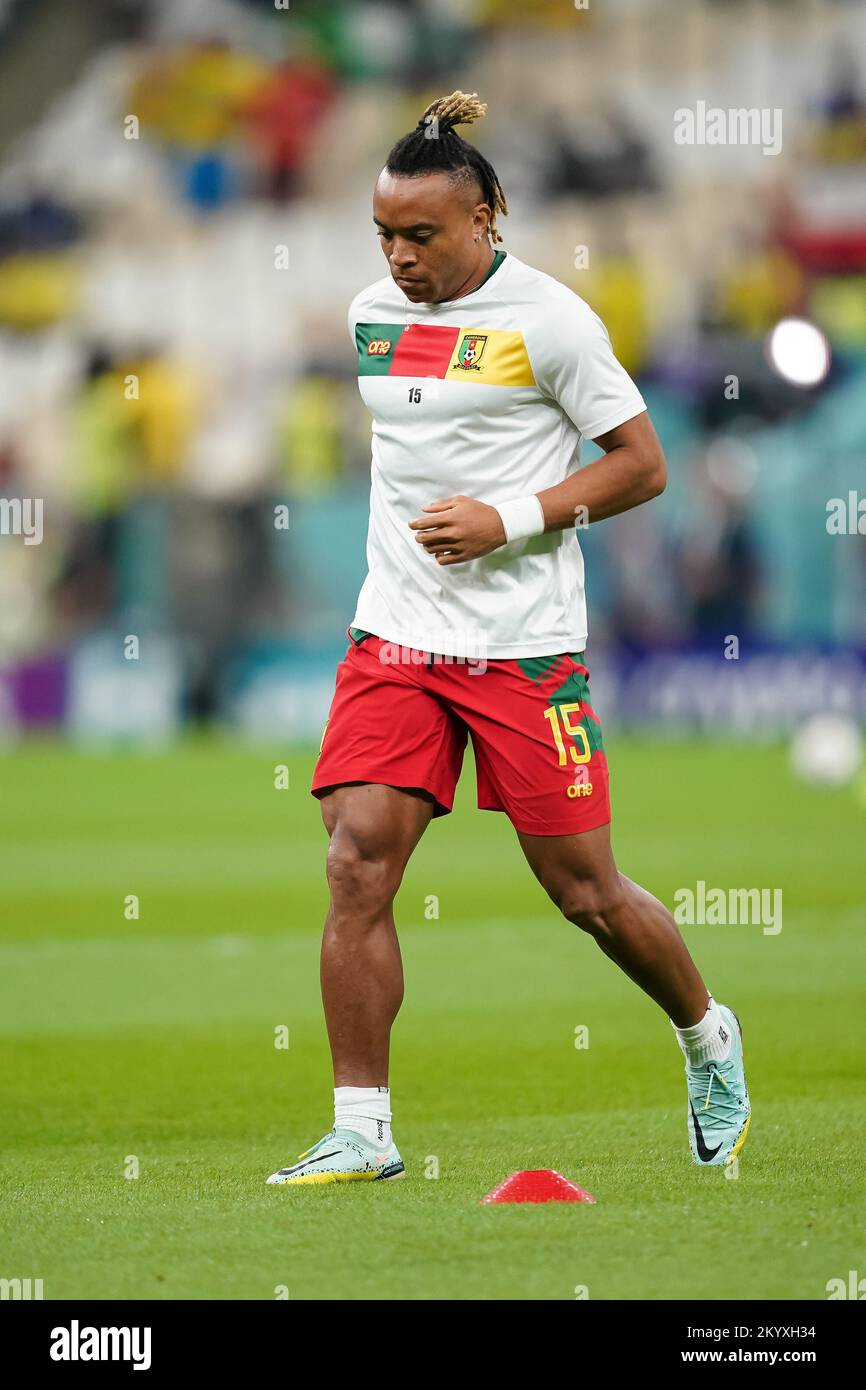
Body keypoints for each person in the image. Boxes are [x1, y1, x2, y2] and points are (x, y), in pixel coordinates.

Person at [266, 91, 750, 1186]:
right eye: (383, 234)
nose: (398, 256)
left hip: (523, 650)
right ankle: (363, 1127)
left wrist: (508, 519)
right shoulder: (367, 318)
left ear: (488, 215)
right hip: (393, 636)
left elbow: (640, 464)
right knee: (355, 863)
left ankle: (705, 1034)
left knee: (585, 893)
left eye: (421, 234)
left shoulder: (553, 322)